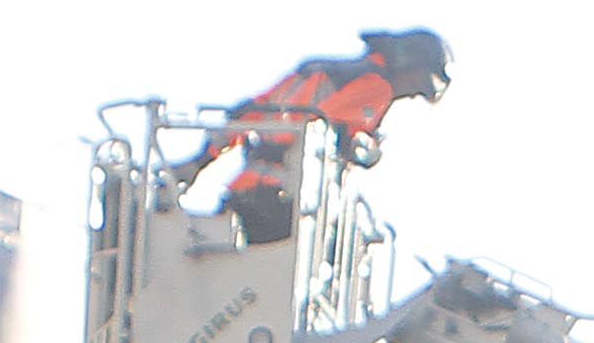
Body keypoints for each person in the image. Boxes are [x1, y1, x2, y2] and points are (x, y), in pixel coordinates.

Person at [185, 28, 454, 242]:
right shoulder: (376, 86)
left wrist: (198, 163)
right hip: (284, 205)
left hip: (245, 194)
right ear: (409, 65)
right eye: (420, 84)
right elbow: (328, 132)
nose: (414, 93)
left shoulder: (321, 71)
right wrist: (362, 147)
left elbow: (248, 115)